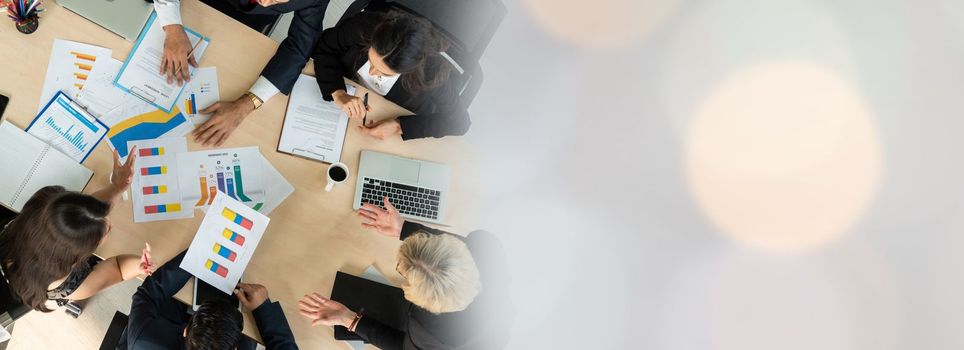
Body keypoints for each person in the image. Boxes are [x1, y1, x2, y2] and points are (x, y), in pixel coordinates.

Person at [297, 198, 510, 350]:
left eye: (403, 273)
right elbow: (449, 244)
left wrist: (350, 320)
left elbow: (403, 346)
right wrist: (404, 228)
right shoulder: (485, 247)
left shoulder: (432, 333)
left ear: (423, 301)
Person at [152, 0, 330, 146]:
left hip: (247, 20)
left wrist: (247, 104)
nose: (266, 2)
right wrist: (173, 28)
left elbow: (299, 47)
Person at [0, 149, 154, 311]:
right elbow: (118, 269)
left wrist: (117, 187)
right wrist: (139, 265)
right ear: (81, 253)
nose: (111, 225)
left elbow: (80, 212)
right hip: (32, 289)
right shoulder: (71, 286)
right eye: (105, 231)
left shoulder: (44, 204)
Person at [311, 9, 471, 141]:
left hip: (390, 113)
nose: (371, 72)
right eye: (371, 61)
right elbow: (325, 47)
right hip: (347, 94)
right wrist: (338, 92)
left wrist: (399, 126)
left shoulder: (431, 74)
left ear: (408, 71)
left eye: (383, 72)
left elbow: (460, 124)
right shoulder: (363, 27)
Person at [119, 250, 298, 350]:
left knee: (169, 299)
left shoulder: (144, 338)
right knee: (251, 334)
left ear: (185, 331)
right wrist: (263, 309)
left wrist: (196, 256)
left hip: (163, 335)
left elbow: (147, 295)